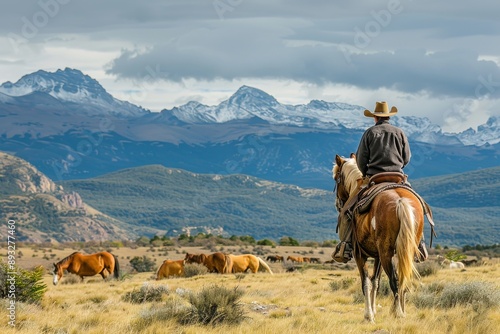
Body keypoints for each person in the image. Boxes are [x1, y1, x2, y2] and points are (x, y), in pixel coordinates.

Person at [332, 101, 428, 263]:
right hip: (398, 177)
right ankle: (419, 243)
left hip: (374, 178)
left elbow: (361, 160)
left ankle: (346, 245)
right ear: (389, 116)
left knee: (347, 210)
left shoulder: (370, 133)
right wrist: (396, 166)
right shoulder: (400, 133)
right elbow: (406, 158)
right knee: (418, 205)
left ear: (375, 117)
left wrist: (365, 172)